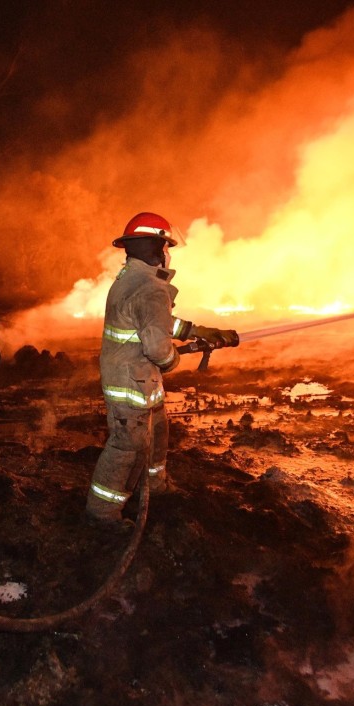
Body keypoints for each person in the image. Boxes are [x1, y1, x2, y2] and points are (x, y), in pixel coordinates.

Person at [86, 212, 238, 525]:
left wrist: (197, 331)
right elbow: (157, 346)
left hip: (137, 379)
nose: (167, 254)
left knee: (156, 433)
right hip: (131, 382)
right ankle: (102, 513)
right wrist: (172, 360)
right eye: (165, 246)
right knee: (126, 446)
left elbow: (155, 322)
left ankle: (155, 486)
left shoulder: (130, 279)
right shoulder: (150, 289)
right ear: (156, 247)